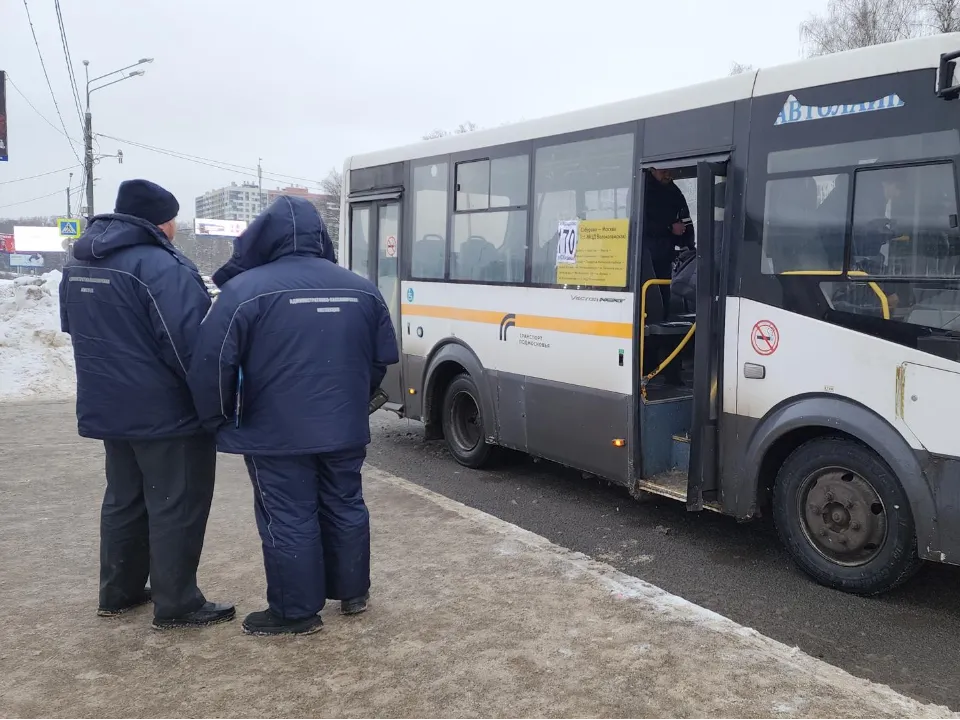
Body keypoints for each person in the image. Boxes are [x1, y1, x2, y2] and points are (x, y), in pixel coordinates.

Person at [188, 196, 399, 637]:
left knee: (288, 514)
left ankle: (295, 612)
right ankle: (353, 592)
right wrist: (351, 400)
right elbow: (382, 359)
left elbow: (213, 363)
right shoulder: (362, 288)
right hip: (343, 425)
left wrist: (219, 418)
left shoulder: (244, 291)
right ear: (321, 236)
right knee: (345, 503)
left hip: (272, 430)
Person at [59, 179, 235, 630]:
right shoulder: (160, 265)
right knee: (176, 501)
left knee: (124, 499)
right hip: (165, 412)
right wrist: (210, 402)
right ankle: (178, 603)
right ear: (163, 221)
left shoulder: (79, 260)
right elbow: (187, 346)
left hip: (109, 404)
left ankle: (118, 592)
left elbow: (71, 327)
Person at [643, 168, 694, 385]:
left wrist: (688, 243)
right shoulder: (640, 189)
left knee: (668, 314)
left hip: (668, 261)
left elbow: (685, 219)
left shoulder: (672, 190)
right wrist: (669, 228)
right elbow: (639, 224)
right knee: (653, 314)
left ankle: (671, 370)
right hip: (645, 264)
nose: (669, 174)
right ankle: (651, 366)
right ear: (652, 168)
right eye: (664, 170)